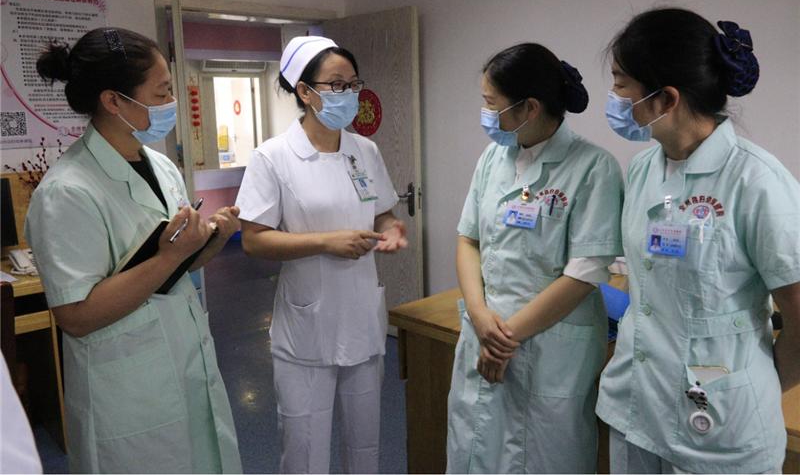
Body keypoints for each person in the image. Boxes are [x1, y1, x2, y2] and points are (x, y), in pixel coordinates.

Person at [26, 28, 242, 473]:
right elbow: (76, 315)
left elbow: (174, 271)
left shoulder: (160, 166)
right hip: (126, 390)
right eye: (161, 93)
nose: (171, 103)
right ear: (113, 100)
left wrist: (210, 241)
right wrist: (168, 256)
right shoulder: (67, 191)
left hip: (184, 359)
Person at [597, 7, 800, 474]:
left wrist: (752, 388)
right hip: (636, 408)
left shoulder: (756, 181)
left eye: (621, 83)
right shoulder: (643, 168)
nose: (614, 97)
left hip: (720, 428)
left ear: (666, 98)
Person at [446, 43, 624, 473]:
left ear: (529, 107)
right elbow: (468, 239)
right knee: (475, 451)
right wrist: (479, 315)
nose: (486, 114)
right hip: (486, 331)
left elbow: (584, 274)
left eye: (492, 104)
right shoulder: (494, 157)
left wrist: (504, 338)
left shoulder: (593, 167)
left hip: (548, 347)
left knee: (543, 457)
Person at [236, 36, 408, 474]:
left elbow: (383, 211)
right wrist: (325, 242)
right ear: (305, 91)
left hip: (362, 319)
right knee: (304, 451)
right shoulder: (273, 157)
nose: (349, 93)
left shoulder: (364, 150)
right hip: (307, 327)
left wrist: (391, 228)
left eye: (353, 83)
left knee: (365, 446)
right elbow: (254, 239)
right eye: (336, 84)